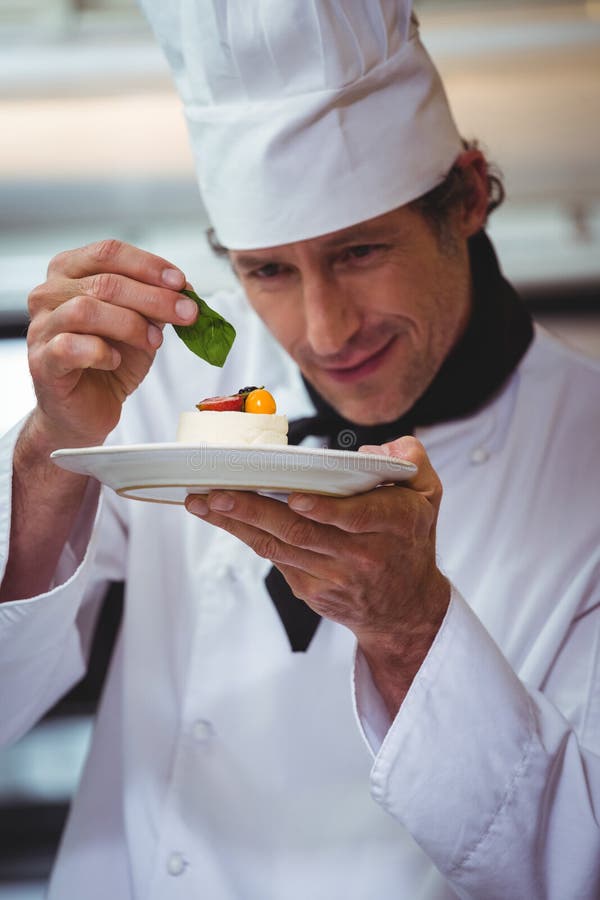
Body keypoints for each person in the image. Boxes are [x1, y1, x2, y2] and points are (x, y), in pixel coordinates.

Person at [1, 1, 599, 897]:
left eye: (359, 252)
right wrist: (52, 443)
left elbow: (576, 862)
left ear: (469, 196)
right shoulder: (164, 387)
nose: (324, 332)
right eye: (269, 270)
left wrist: (409, 630)